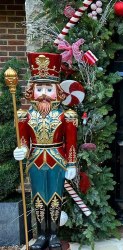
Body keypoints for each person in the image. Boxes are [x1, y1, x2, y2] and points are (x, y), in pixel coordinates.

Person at [13, 52, 78, 250]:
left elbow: (71, 143)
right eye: (39, 88)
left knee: (56, 198)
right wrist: (21, 150)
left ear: (56, 91)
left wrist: (72, 163)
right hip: (35, 160)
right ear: (32, 91)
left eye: (48, 88)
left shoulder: (66, 116)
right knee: (38, 198)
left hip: (57, 159)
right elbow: (24, 141)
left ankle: (54, 236)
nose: (43, 93)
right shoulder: (25, 116)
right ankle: (41, 235)